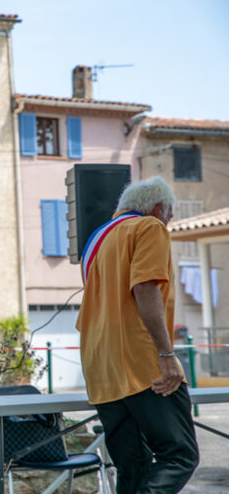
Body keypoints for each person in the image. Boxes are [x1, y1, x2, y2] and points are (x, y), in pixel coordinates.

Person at [76, 175, 199, 494]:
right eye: (170, 217)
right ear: (159, 208)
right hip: (141, 361)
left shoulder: (97, 239)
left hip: (101, 366)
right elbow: (145, 287)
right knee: (179, 455)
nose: (168, 225)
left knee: (133, 466)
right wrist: (167, 354)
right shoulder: (149, 227)